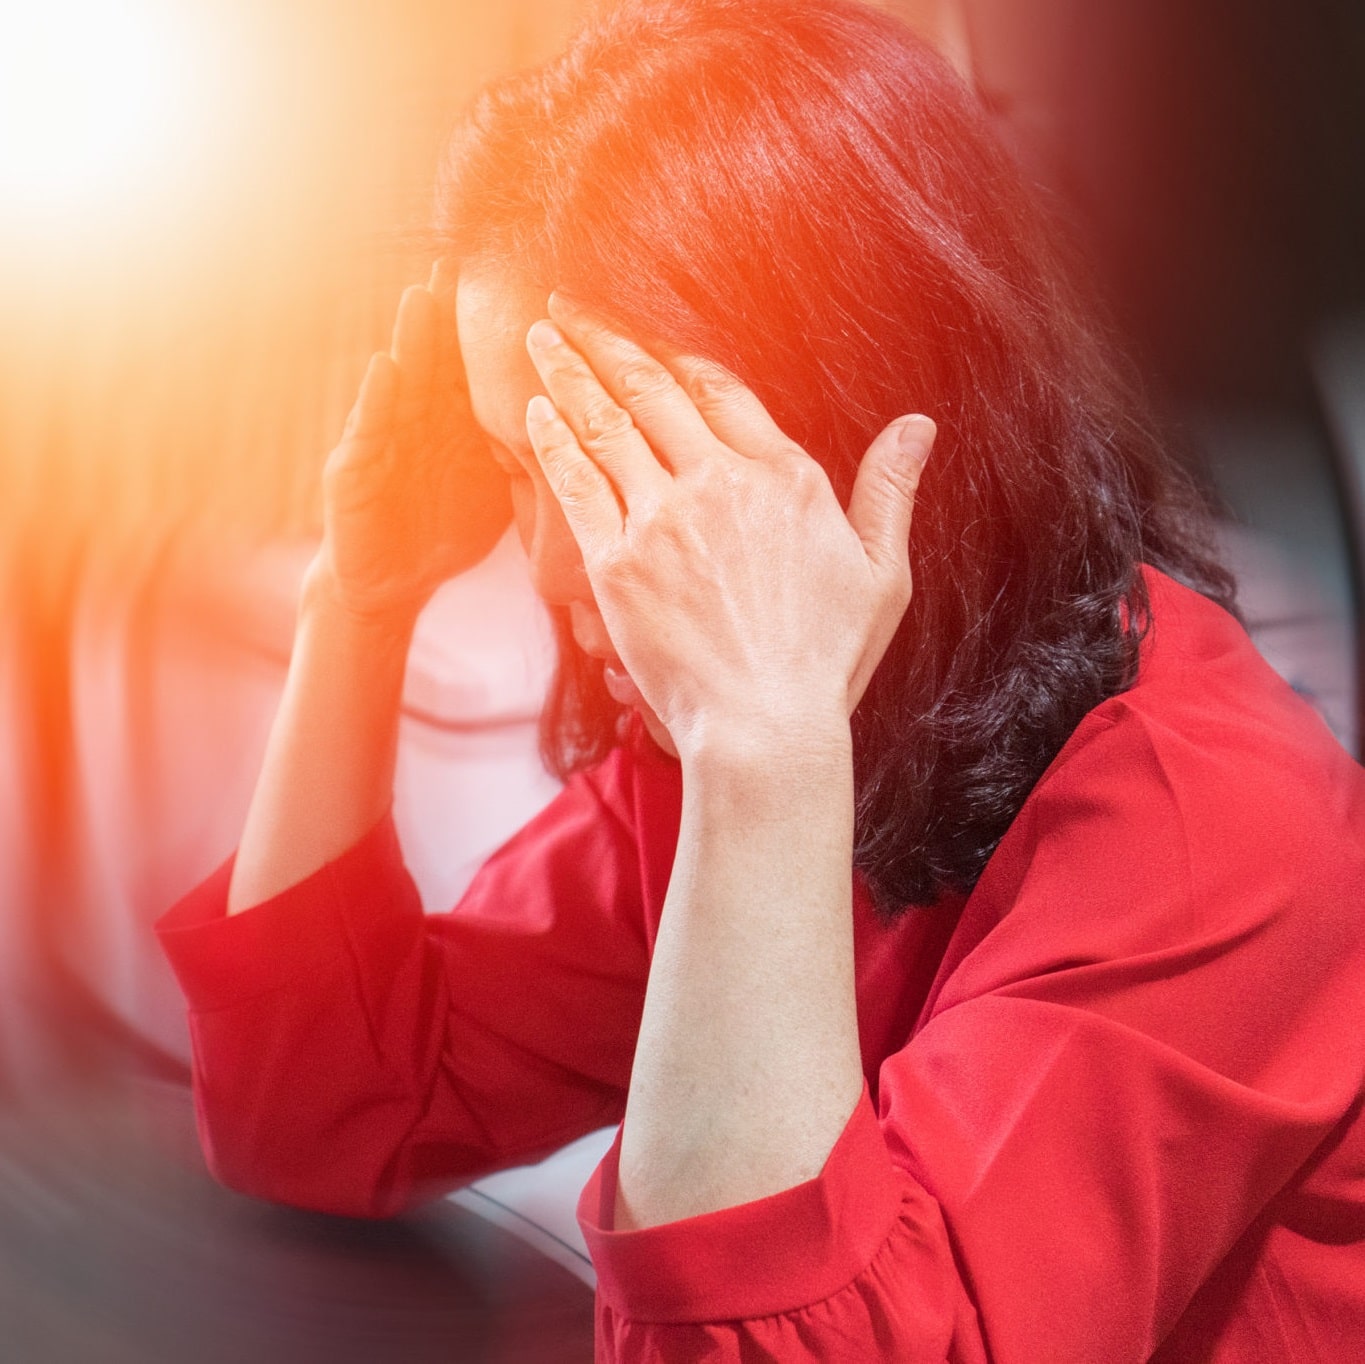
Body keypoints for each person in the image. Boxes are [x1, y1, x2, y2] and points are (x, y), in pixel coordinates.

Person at [158, 0, 1365, 1358]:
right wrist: (358, 601)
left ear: (859, 424)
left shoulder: (1216, 833)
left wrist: (761, 758)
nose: (554, 566)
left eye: (613, 479)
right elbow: (320, 1108)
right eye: (520, 467)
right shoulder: (761, 730)